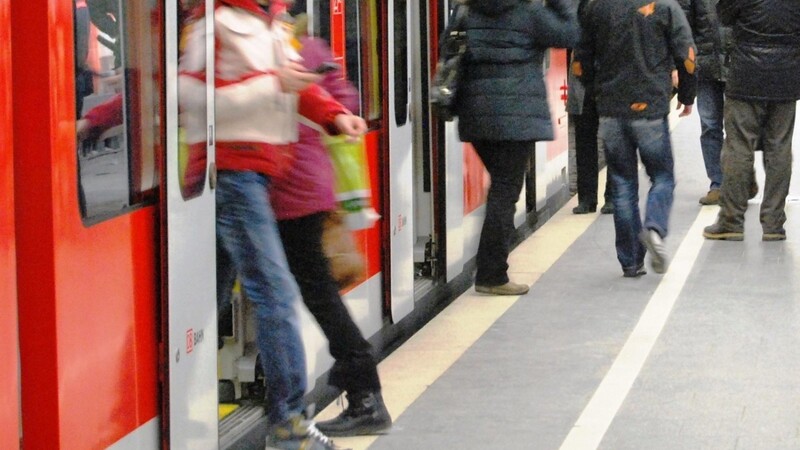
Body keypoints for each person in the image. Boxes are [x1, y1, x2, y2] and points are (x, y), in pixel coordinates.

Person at [193, 1, 367, 448]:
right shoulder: (216, 25)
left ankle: (187, 397)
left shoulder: (268, 24)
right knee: (275, 293)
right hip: (234, 173)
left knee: (206, 297)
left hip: (259, 171)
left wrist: (333, 114)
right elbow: (190, 95)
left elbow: (297, 85)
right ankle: (288, 425)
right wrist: (273, 84)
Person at [269, 17, 392, 437]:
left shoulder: (277, 44)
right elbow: (345, 97)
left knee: (313, 290)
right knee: (310, 288)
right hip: (305, 184)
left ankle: (362, 389)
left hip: (288, 188)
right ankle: (358, 386)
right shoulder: (308, 43)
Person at [451, 0, 578, 296]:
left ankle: (490, 265)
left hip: (476, 114)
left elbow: (450, 50)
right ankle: (492, 274)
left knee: (501, 189)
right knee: (505, 192)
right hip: (516, 117)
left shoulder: (466, 11)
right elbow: (570, 35)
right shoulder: (530, 13)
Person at [573, 0, 697, 277]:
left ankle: (630, 261)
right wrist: (687, 95)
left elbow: (580, 62)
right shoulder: (666, 6)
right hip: (650, 106)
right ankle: (654, 228)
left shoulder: (595, 7)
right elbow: (687, 55)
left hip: (611, 107)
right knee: (662, 176)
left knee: (622, 183)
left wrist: (597, 93)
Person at [702, 0, 800, 241]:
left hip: (746, 73)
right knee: (780, 148)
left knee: (738, 147)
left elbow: (723, 16)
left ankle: (731, 221)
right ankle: (774, 224)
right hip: (786, 74)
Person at [567, 0, 612, 215]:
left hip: (612, 74)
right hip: (582, 74)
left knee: (613, 137)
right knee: (584, 137)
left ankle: (613, 196)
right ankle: (587, 198)